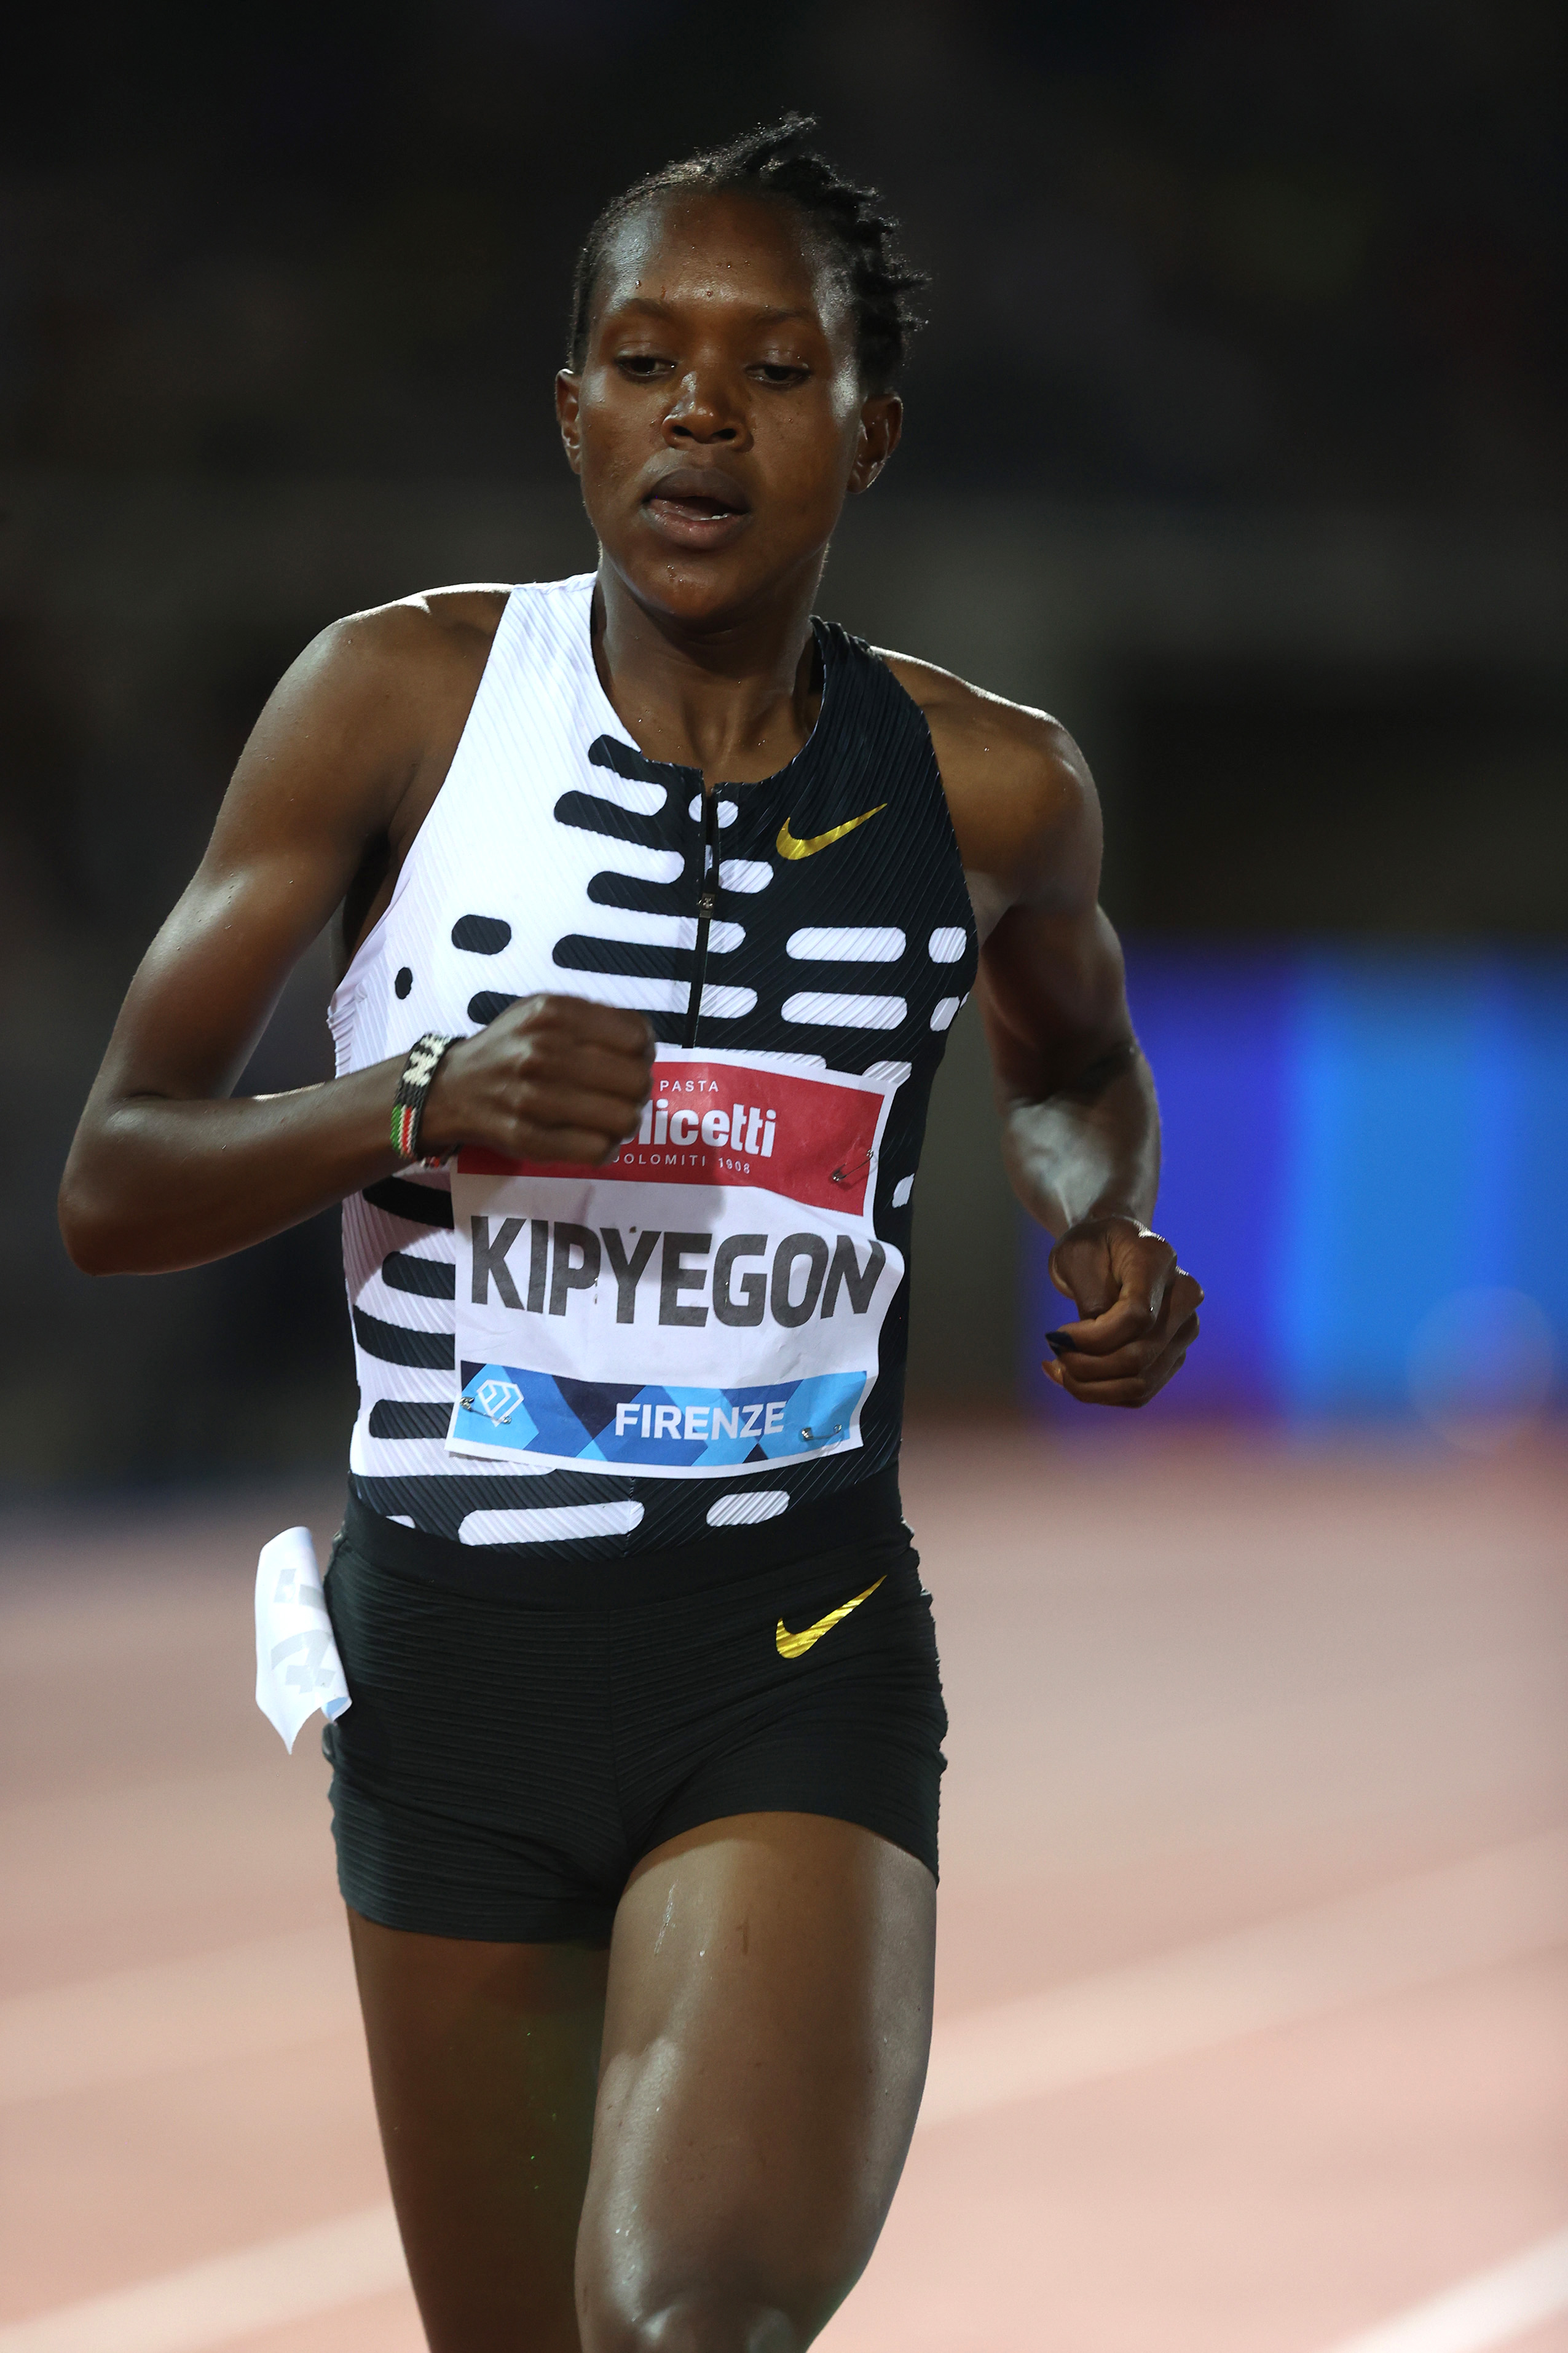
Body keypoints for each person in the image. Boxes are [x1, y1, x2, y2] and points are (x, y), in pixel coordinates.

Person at [60, 115, 1201, 2353]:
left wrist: (1105, 1222)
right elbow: (115, 1176)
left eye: (774, 371)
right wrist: (416, 1099)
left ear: (869, 433)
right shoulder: (395, 704)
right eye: (649, 361)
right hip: (450, 1674)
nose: (703, 414)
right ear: (570, 408)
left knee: (683, 2317)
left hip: (788, 1637)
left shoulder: (993, 787)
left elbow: (1074, 1064)